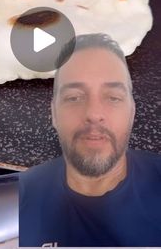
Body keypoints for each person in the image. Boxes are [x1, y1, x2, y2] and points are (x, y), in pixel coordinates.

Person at [19, 33, 161, 247]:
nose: (94, 113)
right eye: (74, 97)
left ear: (132, 112)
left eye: (113, 97)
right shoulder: (15, 199)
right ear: (54, 114)